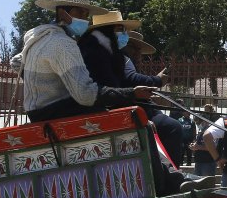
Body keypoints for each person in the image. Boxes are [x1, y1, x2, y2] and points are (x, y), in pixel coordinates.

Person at [17, 0, 154, 122]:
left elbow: (16, 61)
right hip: (52, 111)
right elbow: (85, 95)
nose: (85, 19)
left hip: (34, 110)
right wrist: (132, 93)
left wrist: (42, 84)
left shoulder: (39, 37)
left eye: (86, 14)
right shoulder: (63, 43)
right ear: (62, 13)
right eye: (80, 12)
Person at [78, 11, 183, 166]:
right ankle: (167, 175)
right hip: (116, 108)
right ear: (109, 31)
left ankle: (169, 172)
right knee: (171, 127)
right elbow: (125, 81)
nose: (136, 52)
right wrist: (156, 81)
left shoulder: (106, 53)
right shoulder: (98, 53)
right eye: (120, 30)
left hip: (124, 103)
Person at [191, 104, 219, 177]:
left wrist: (198, 147)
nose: (197, 124)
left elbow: (213, 147)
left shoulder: (211, 131)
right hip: (199, 162)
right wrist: (194, 146)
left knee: (206, 185)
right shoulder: (201, 131)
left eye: (198, 122)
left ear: (204, 121)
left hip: (208, 163)